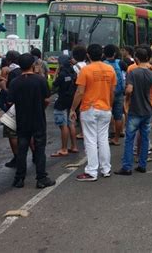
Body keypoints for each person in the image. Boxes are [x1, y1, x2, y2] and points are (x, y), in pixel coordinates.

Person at [70, 44, 116, 182]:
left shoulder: (86, 70)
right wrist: (110, 105)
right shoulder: (110, 69)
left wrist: (73, 109)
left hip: (89, 108)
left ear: (88, 55)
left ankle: (91, 171)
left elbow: (80, 92)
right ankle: (106, 169)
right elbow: (112, 91)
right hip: (105, 107)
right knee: (103, 139)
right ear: (101, 54)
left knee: (90, 140)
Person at [8, 53, 55, 189]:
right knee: (40, 149)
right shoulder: (40, 80)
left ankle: (19, 179)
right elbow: (47, 99)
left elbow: (10, 101)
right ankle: (41, 178)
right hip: (38, 118)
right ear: (33, 65)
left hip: (22, 119)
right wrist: (41, 108)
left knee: (22, 149)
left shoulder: (15, 82)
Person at [115, 47, 152, 175]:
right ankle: (142, 164)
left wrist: (127, 100)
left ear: (136, 59)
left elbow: (129, 90)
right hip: (148, 109)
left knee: (130, 139)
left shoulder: (133, 73)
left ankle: (127, 167)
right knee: (145, 138)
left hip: (135, 109)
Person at [51, 55, 78, 157]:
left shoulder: (62, 74)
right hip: (71, 100)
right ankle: (74, 146)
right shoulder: (73, 73)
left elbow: (54, 85)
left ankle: (64, 149)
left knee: (63, 126)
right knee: (71, 123)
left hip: (62, 101)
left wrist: (56, 73)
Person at [1, 51, 22, 168]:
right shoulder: (29, 73)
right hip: (29, 108)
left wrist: (3, 84)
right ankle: (35, 155)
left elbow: (9, 94)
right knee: (28, 134)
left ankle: (17, 157)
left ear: (9, 60)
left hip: (14, 107)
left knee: (12, 133)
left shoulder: (12, 73)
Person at [103, 44, 125, 146]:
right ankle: (116, 138)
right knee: (118, 116)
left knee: (107, 114)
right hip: (119, 93)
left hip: (107, 93)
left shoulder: (103, 64)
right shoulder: (120, 63)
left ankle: (106, 136)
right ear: (115, 53)